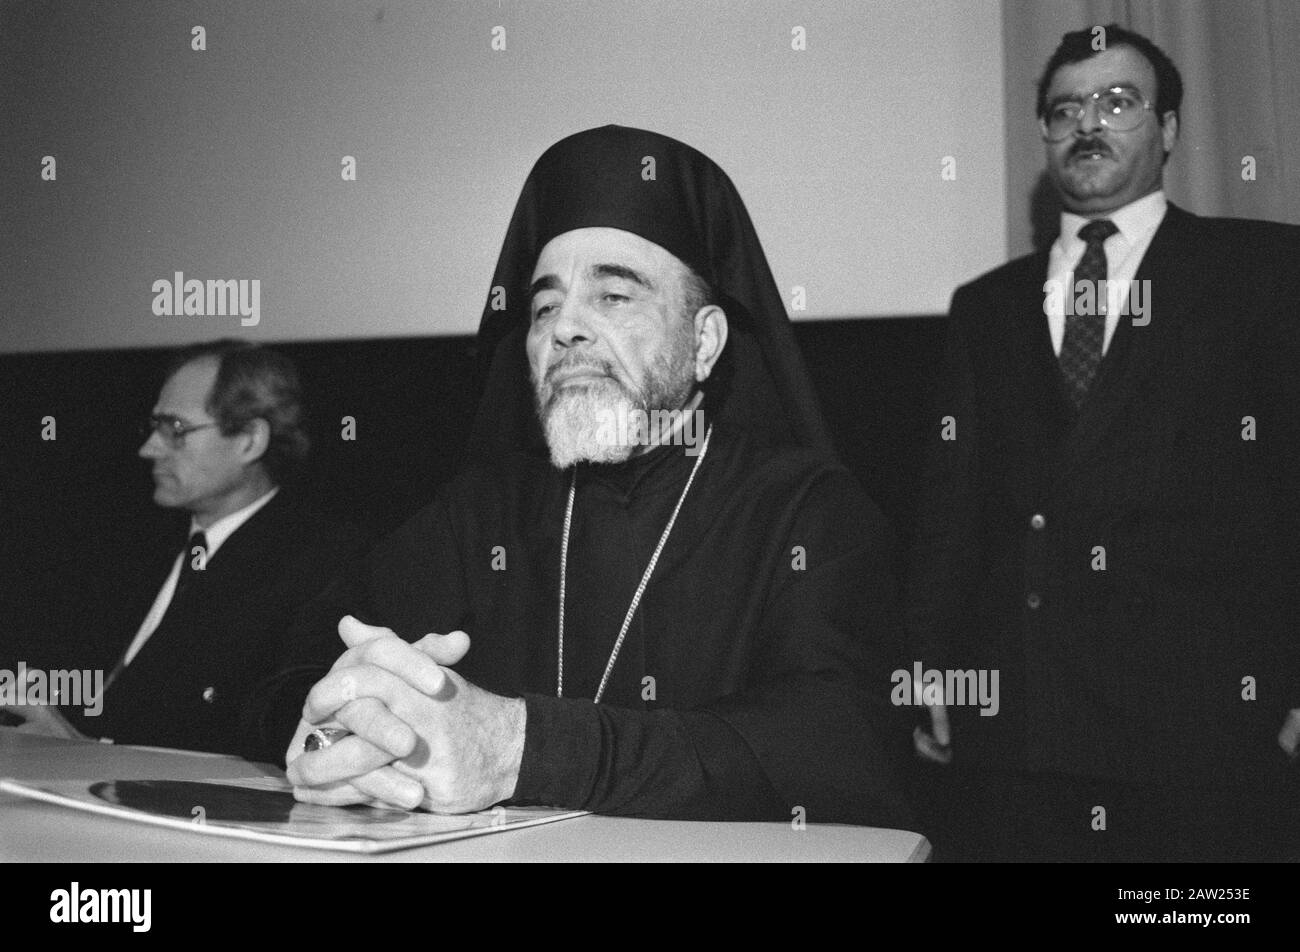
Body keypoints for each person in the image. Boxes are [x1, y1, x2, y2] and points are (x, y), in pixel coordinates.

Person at [273, 125, 912, 824]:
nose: (565, 327)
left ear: (704, 342)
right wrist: (346, 723)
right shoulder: (485, 509)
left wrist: (522, 748)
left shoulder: (808, 510)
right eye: (545, 305)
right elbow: (290, 662)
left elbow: (838, 749)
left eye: (613, 296)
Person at [907, 25, 1300, 861]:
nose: (1087, 124)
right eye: (1064, 110)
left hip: (1207, 733)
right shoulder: (985, 306)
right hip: (1021, 735)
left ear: (1166, 130)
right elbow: (951, 512)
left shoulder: (1262, 272)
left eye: (1117, 103)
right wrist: (928, 664)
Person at [2, 340, 362, 761]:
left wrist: (81, 754)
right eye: (153, 427)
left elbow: (261, 752)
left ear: (249, 440)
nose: (149, 448)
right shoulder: (126, 540)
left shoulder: (318, 569)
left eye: (175, 429)